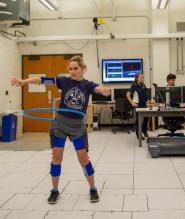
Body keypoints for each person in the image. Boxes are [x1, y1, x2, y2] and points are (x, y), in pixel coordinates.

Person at [10, 56, 111, 203]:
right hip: (60, 124)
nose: (72, 71)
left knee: (83, 159)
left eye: (76, 68)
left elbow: (99, 89)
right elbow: (43, 80)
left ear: (83, 69)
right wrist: (24, 81)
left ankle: (93, 188)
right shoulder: (63, 81)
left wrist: (104, 89)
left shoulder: (88, 85)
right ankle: (54, 190)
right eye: (70, 68)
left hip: (77, 126)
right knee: (57, 158)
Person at [126, 74, 149, 139]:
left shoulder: (143, 85)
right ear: (137, 78)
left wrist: (148, 101)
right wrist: (132, 103)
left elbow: (145, 94)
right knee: (139, 120)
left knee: (147, 118)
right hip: (137, 104)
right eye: (141, 77)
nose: (142, 78)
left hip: (144, 103)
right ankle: (138, 135)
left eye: (143, 77)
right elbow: (127, 94)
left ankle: (144, 131)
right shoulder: (134, 85)